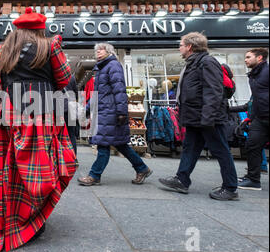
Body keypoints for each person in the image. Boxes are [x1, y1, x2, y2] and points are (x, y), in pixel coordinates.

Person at [0, 7, 77, 252]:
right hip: (42, 113)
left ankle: (16, 213)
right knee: (43, 168)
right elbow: (64, 79)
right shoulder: (50, 46)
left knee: (16, 167)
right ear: (40, 29)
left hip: (11, 114)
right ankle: (33, 219)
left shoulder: (2, 50)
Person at [158, 32, 238, 200]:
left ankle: (230, 188)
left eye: (180, 45)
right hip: (196, 117)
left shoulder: (207, 62)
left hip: (208, 118)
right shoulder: (194, 63)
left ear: (189, 46)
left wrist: (208, 118)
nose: (179, 48)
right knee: (190, 148)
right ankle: (182, 179)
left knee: (221, 150)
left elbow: (214, 92)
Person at [78, 43, 152, 186]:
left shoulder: (113, 65)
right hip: (106, 111)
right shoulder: (102, 68)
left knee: (103, 144)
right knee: (121, 144)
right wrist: (87, 110)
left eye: (101, 49)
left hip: (110, 112)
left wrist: (121, 112)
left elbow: (119, 90)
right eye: (96, 50)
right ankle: (142, 168)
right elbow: (97, 95)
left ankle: (95, 175)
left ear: (109, 51)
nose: (98, 52)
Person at [232, 48, 268, 190]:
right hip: (260, 118)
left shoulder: (266, 72)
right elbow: (254, 101)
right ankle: (253, 179)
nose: (245, 60)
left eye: (248, 57)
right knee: (252, 146)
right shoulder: (254, 75)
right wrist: (250, 118)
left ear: (259, 58)